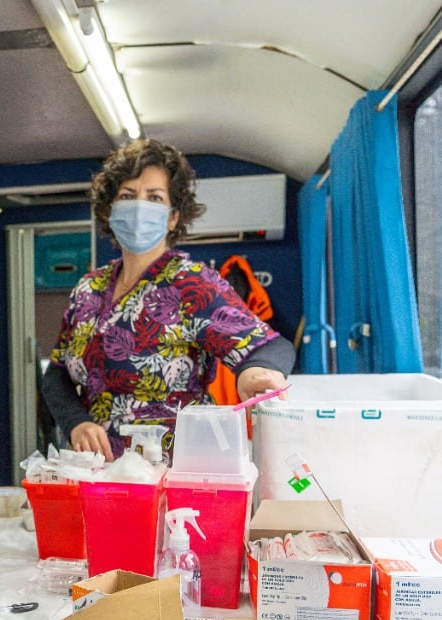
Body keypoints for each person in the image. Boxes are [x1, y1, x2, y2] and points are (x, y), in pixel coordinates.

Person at [42, 139, 293, 461]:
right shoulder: (88, 289)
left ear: (173, 217)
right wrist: (76, 422)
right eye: (128, 196)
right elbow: (57, 373)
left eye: (154, 198)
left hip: (176, 473)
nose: (139, 207)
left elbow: (270, 346)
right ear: (110, 210)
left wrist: (256, 371)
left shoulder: (192, 284)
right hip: (98, 473)